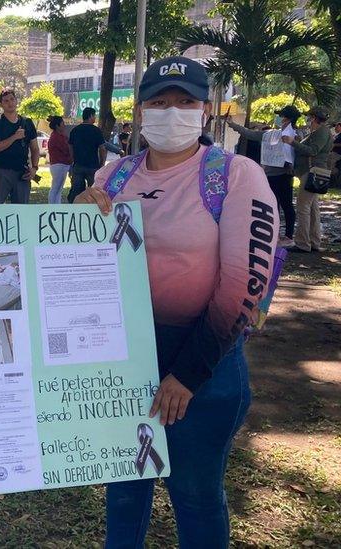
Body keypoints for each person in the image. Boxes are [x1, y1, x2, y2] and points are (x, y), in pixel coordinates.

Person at [73, 56, 278, 547]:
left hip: (205, 363)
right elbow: (73, 270)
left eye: (185, 102)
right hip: (122, 362)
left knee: (195, 493)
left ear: (205, 110)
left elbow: (242, 286)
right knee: (123, 489)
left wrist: (186, 376)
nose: (172, 112)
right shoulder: (113, 176)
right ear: (140, 111)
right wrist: (75, 216)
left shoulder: (234, 175)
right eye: (159, 103)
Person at [224, 104, 299, 246]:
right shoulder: (272, 134)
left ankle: (289, 236)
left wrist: (293, 166)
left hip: (284, 175)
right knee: (274, 205)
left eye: (281, 116)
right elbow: (250, 134)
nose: (279, 119)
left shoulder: (295, 136)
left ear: (287, 119)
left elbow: (300, 153)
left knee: (286, 205)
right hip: (270, 176)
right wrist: (232, 124)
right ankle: (275, 235)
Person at [289, 106, 333, 253]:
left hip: (312, 172)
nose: (307, 120)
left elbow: (313, 150)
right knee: (313, 208)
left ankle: (303, 243)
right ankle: (313, 241)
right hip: (311, 171)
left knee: (303, 207)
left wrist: (292, 143)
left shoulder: (322, 132)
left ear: (314, 118)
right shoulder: (317, 132)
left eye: (309, 117)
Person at [0, 88, 40, 204]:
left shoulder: (27, 122)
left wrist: (34, 167)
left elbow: (35, 149)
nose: (10, 103)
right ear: (1, 104)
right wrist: (14, 137)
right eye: (6, 101)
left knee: (21, 210)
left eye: (12, 99)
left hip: (22, 172)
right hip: (0, 171)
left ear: (16, 100)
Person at [67, 107, 106, 204]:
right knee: (94, 192)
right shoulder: (96, 131)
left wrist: (73, 160)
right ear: (91, 116)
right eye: (94, 115)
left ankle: (75, 209)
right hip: (93, 165)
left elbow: (70, 147)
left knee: (76, 191)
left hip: (78, 165)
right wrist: (102, 163)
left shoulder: (75, 130)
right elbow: (102, 148)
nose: (95, 118)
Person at [47, 116, 72, 204]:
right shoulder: (56, 137)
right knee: (56, 187)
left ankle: (56, 205)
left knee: (58, 188)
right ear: (58, 126)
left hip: (61, 164)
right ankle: (52, 205)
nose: (64, 125)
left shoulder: (59, 136)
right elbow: (66, 149)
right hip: (59, 164)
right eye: (62, 123)